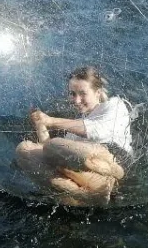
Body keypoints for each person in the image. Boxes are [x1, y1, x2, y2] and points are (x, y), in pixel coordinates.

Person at [15, 66, 133, 206]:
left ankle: (113, 178)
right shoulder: (73, 131)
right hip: (90, 183)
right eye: (73, 94)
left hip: (112, 171)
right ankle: (86, 196)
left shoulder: (114, 106)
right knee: (24, 149)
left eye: (82, 93)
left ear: (97, 92)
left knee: (55, 145)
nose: (76, 100)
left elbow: (95, 129)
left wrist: (51, 121)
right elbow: (48, 154)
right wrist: (40, 125)